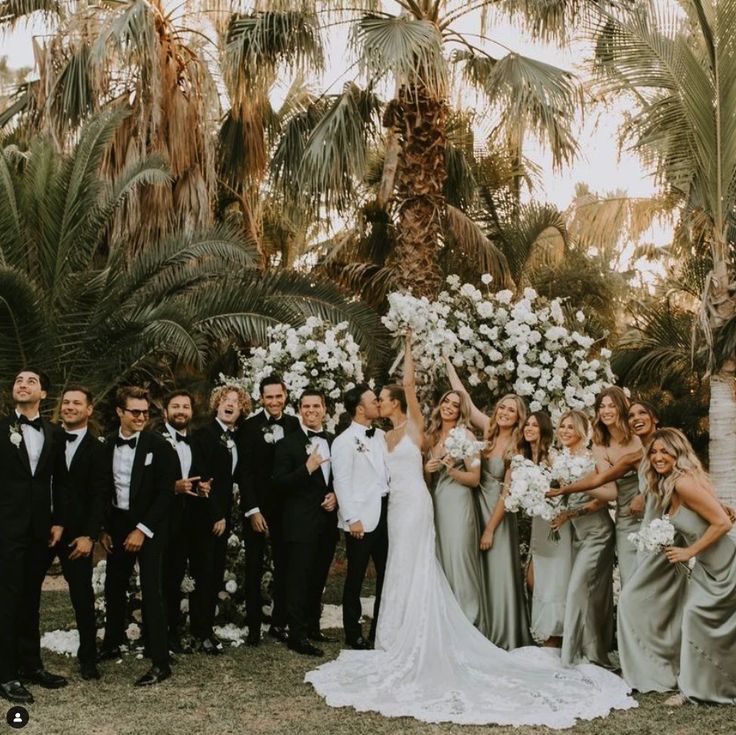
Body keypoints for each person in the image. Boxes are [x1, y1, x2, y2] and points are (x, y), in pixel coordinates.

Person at [305, 337, 636, 727]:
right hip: (395, 507)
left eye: (383, 397)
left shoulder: (421, 427)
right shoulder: (377, 438)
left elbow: (420, 395)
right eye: (376, 398)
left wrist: (412, 347)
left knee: (433, 563)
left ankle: (465, 626)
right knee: (402, 566)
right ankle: (392, 634)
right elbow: (362, 474)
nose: (379, 401)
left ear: (393, 403)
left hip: (424, 506)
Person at [640, 428, 735, 706]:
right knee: (694, 618)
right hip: (708, 568)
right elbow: (717, 514)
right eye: (654, 452)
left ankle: (693, 689)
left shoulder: (683, 483)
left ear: (677, 453)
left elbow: (723, 523)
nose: (657, 457)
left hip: (725, 567)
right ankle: (698, 684)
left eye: (664, 451)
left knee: (694, 616)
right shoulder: (674, 482)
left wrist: (689, 551)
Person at [444, 359, 531, 649]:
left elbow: (507, 493)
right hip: (475, 510)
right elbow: (464, 399)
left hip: (498, 516)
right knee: (478, 571)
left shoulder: (516, 447)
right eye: (503, 408)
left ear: (519, 418)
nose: (505, 413)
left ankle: (503, 635)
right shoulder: (488, 432)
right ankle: (481, 630)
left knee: (497, 571)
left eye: (512, 411)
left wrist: (491, 529)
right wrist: (447, 362)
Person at [98, 386, 178, 686]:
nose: (142, 417)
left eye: (145, 412)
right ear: (120, 412)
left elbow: (165, 495)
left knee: (152, 591)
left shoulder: (159, 447)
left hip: (150, 527)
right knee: (113, 586)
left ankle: (160, 662)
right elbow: (103, 490)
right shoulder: (106, 446)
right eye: (135, 412)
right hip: (116, 525)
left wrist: (143, 530)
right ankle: (110, 643)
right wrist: (103, 529)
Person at [0, 369, 68, 704]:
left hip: (40, 530)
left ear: (43, 394)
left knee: (30, 598)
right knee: (7, 598)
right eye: (18, 381)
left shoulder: (53, 433)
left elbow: (61, 482)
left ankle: (31, 665)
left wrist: (58, 522)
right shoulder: (1, 430)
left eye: (31, 382)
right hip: (6, 529)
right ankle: (6, 673)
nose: (23, 385)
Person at [273, 388, 339, 657]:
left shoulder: (336, 442)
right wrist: (307, 469)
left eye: (316, 406)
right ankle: (296, 635)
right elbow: (278, 484)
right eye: (306, 406)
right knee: (298, 579)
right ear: (299, 410)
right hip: (299, 524)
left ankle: (312, 626)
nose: (311, 411)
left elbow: (342, 479)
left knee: (318, 577)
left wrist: (337, 495)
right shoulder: (287, 445)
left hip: (327, 522)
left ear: (324, 409)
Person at [50, 386, 109, 680]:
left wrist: (89, 535)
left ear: (89, 410)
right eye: (66, 402)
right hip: (44, 529)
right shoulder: (47, 438)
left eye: (77, 403)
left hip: (78, 534)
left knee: (82, 595)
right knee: (22, 593)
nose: (70, 407)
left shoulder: (99, 449)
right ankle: (25, 658)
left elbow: (100, 495)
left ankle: (88, 657)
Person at [549, 410, 616, 667]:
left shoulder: (593, 457)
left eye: (570, 427)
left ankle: (572, 656)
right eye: (561, 426)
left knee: (577, 588)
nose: (564, 431)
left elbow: (610, 493)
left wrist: (574, 508)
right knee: (591, 593)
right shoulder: (558, 459)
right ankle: (593, 650)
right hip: (576, 534)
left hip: (598, 533)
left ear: (580, 430)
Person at [239, 375, 300, 646]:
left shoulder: (295, 424)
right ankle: (253, 626)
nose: (274, 401)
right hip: (258, 509)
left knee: (285, 567)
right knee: (253, 567)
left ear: (285, 396)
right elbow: (245, 472)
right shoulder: (249, 427)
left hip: (287, 510)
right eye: (269, 397)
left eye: (279, 396)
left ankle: (279, 622)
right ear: (261, 398)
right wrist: (252, 510)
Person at [189, 384, 249, 654]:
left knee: (213, 575)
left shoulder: (233, 437)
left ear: (241, 409)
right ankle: (199, 633)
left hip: (222, 517)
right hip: (204, 516)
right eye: (225, 399)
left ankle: (206, 630)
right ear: (216, 404)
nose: (230, 404)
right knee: (204, 574)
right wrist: (216, 515)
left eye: (236, 401)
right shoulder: (204, 434)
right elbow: (201, 477)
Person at [331, 383, 390, 649]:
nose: (379, 403)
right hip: (361, 520)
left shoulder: (382, 437)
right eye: (373, 400)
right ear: (359, 408)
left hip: (387, 514)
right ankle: (353, 633)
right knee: (355, 577)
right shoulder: (344, 441)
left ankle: (381, 627)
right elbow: (341, 482)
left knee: (387, 576)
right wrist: (352, 517)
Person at [424, 390, 483, 626]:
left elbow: (475, 478)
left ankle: (470, 620)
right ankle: (448, 621)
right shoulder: (432, 435)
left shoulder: (466, 435)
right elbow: (429, 481)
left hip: (459, 502)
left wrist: (451, 470)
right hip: (438, 502)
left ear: (461, 411)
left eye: (455, 404)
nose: (449, 406)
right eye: (445, 401)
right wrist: (428, 470)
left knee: (460, 560)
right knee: (443, 558)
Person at [160, 390, 210, 654]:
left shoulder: (196, 441)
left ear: (192, 412)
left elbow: (198, 475)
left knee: (188, 575)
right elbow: (144, 481)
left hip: (191, 522)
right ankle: (164, 634)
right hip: (164, 522)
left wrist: (202, 488)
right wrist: (172, 487)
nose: (181, 411)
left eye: (186, 406)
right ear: (165, 411)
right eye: (175, 406)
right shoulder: (155, 439)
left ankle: (186, 631)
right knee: (166, 579)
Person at [524, 411, 574, 648]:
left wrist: (558, 506)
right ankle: (548, 632)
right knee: (535, 578)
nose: (529, 428)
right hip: (538, 523)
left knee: (554, 577)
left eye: (534, 425)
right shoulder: (525, 459)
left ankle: (556, 635)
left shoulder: (552, 458)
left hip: (555, 523)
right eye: (527, 424)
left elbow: (568, 488)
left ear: (543, 430)